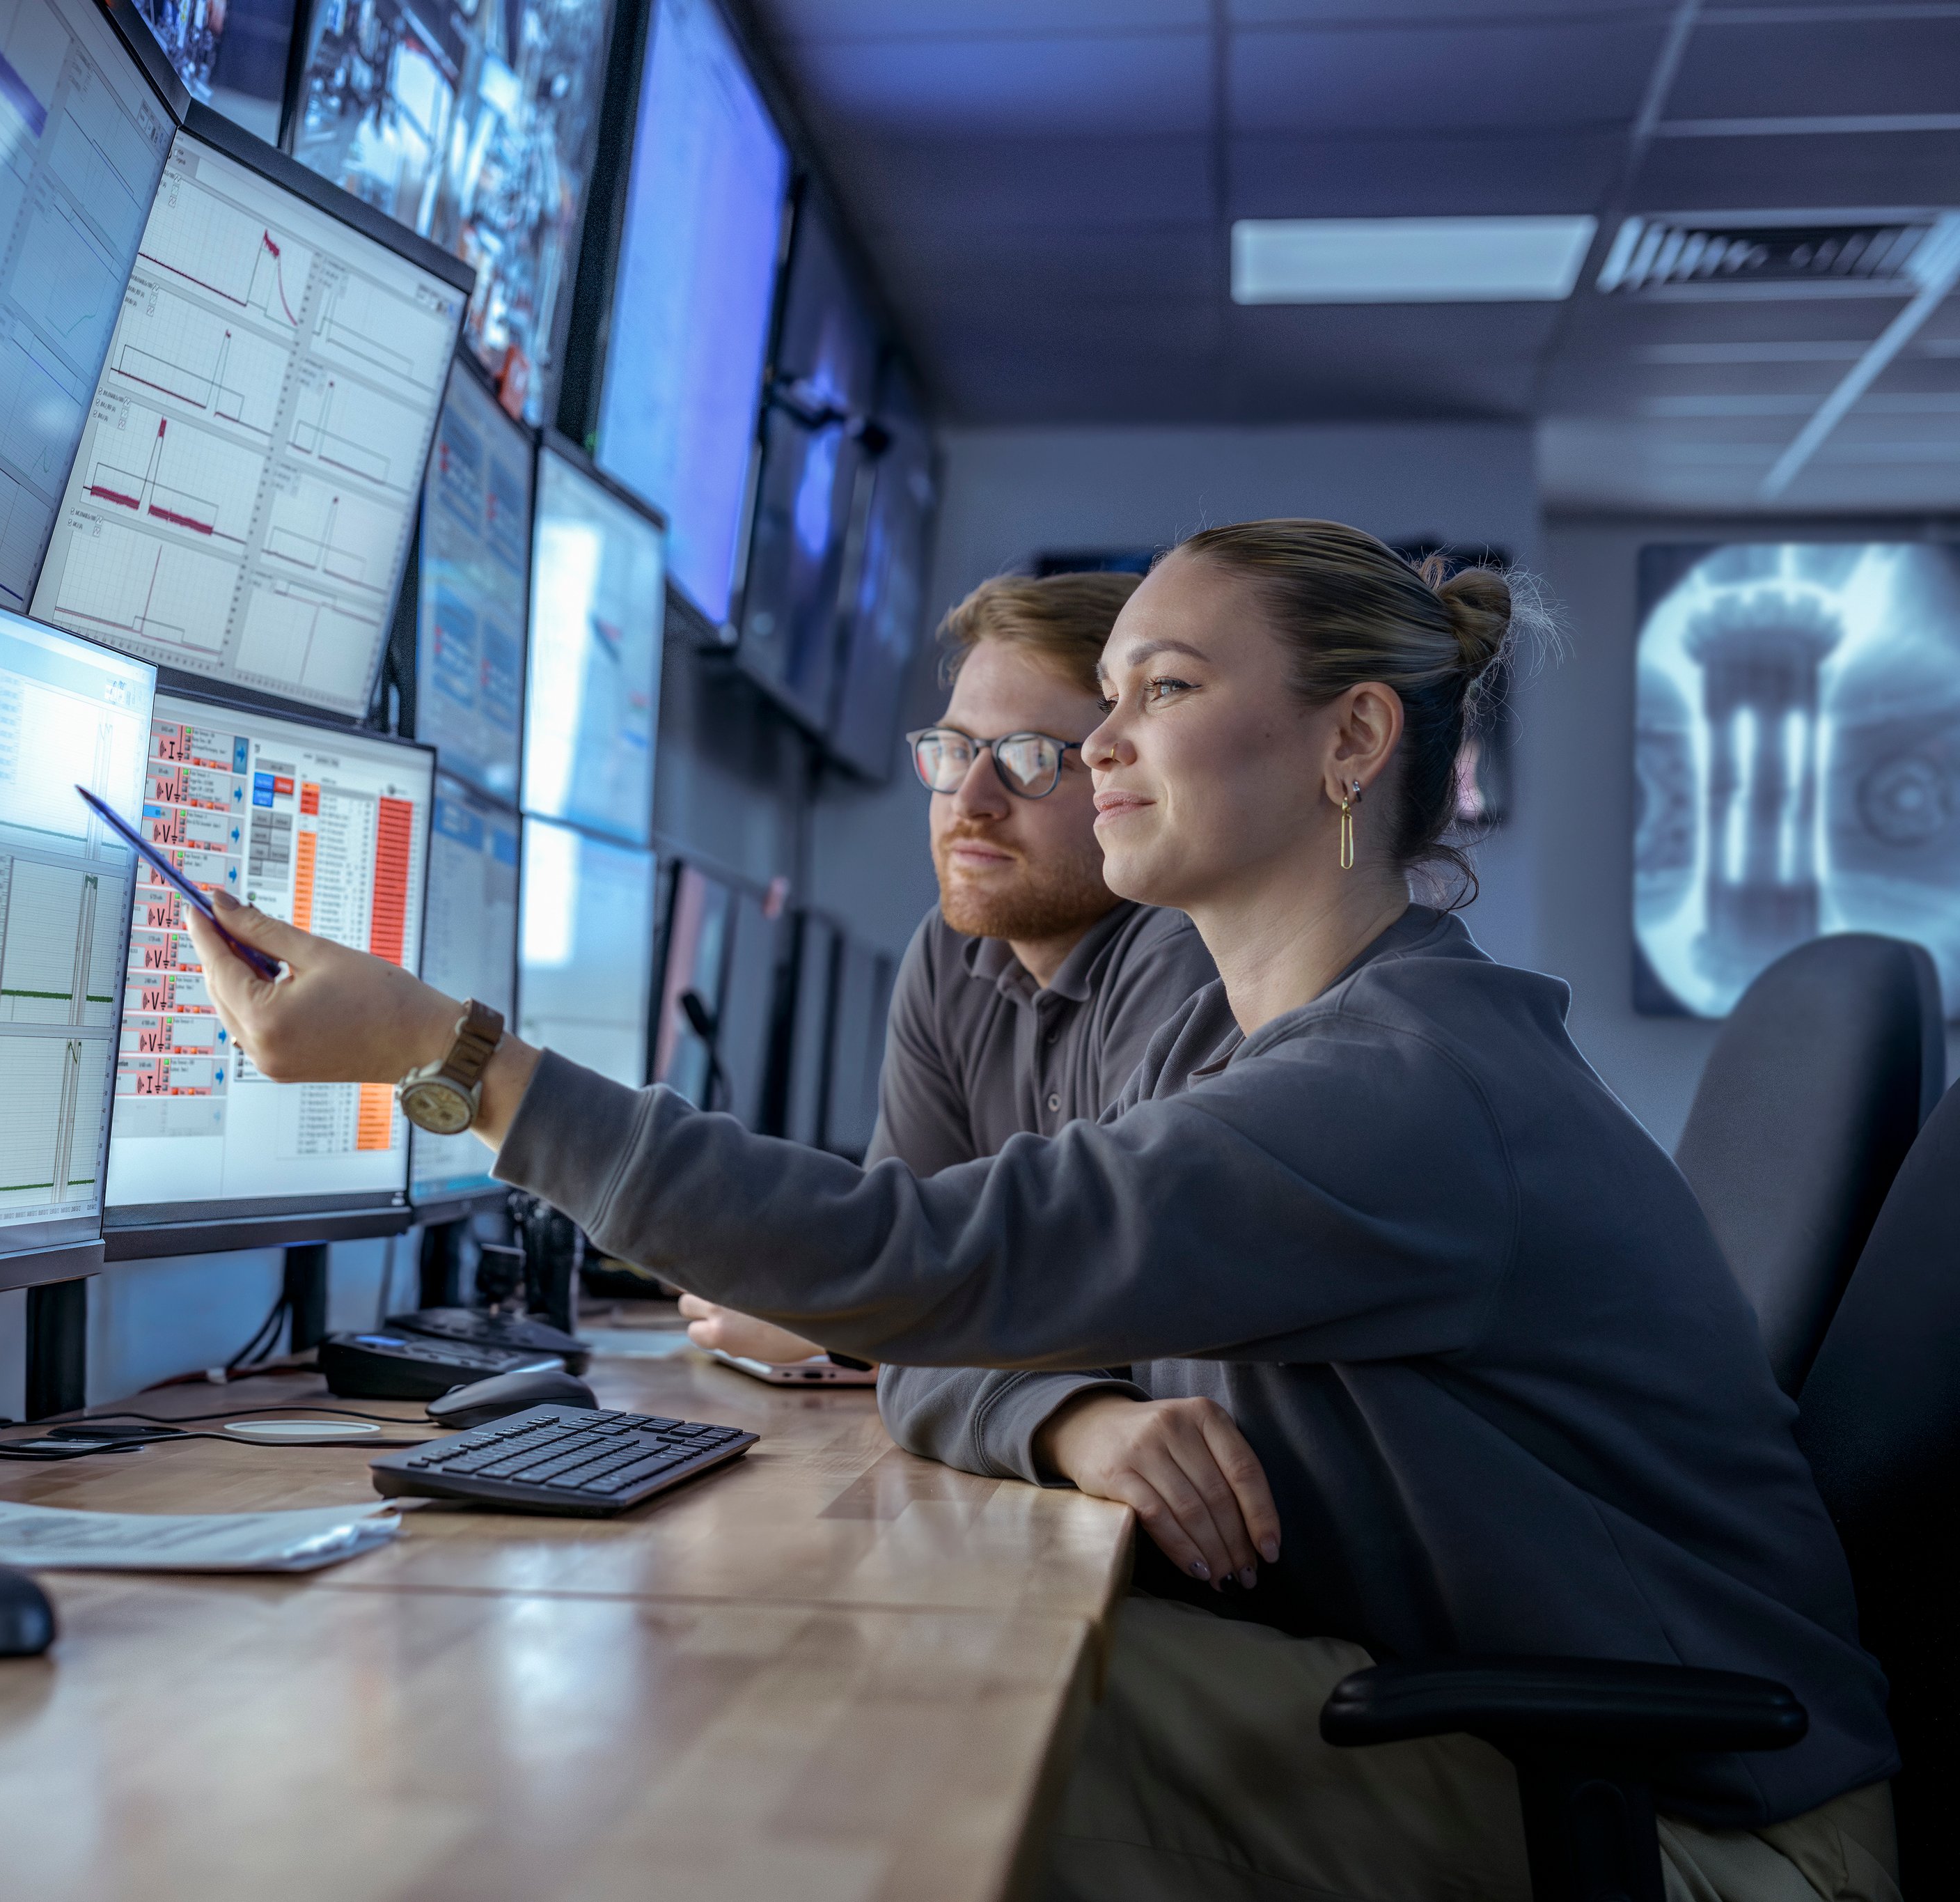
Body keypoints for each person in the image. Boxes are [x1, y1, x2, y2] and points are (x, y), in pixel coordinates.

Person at [180, 518, 1902, 1901]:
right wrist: (1033, 1395)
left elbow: (910, 1260)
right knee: (871, 1692)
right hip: (1541, 1736)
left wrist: (452, 1058)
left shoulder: (1395, 1093)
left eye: (1157, 690)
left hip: (1714, 1837)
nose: (1096, 743)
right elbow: (941, 1285)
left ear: (1351, 741)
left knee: (892, 1750)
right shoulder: (1327, 1054)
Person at [680, 572, 1218, 1398]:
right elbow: (904, 1261)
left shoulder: (1181, 948)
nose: (970, 800)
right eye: (955, 749)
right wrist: (858, 1304)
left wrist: (841, 1320)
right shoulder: (951, 950)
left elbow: (1117, 1320)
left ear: (1126, 775)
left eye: (1030, 759)